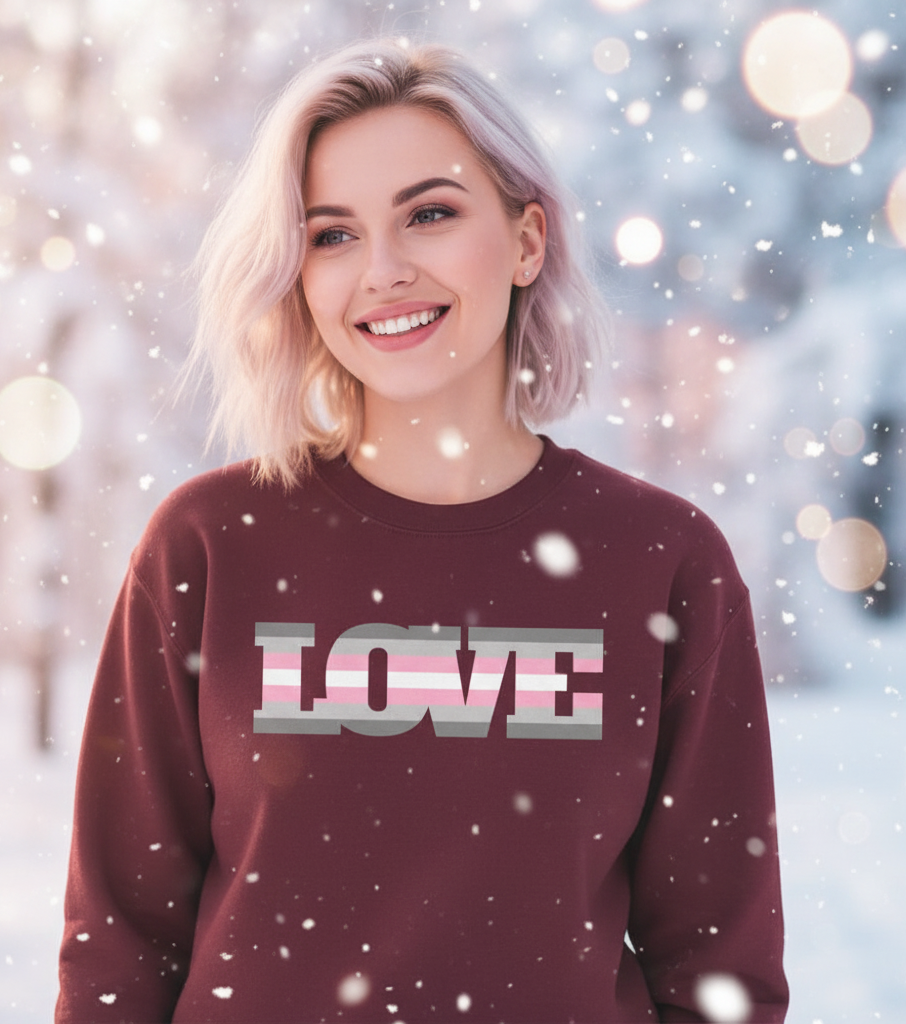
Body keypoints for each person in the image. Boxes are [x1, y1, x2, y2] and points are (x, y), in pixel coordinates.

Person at [56, 39, 788, 1023]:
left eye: (430, 215)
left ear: (527, 240)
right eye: (332, 235)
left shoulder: (661, 562)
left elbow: (716, 959)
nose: (384, 271)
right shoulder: (209, 546)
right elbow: (119, 938)